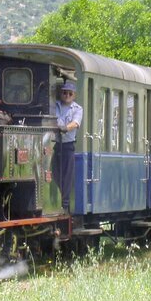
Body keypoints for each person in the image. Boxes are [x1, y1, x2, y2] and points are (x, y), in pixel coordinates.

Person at [52, 81, 83, 212]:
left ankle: (65, 204)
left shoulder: (77, 109)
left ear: (74, 95)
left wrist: (65, 128)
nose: (67, 95)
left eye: (70, 93)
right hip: (55, 144)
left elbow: (75, 123)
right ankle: (58, 200)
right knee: (55, 173)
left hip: (68, 145)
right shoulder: (55, 105)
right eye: (65, 93)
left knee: (67, 175)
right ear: (61, 93)